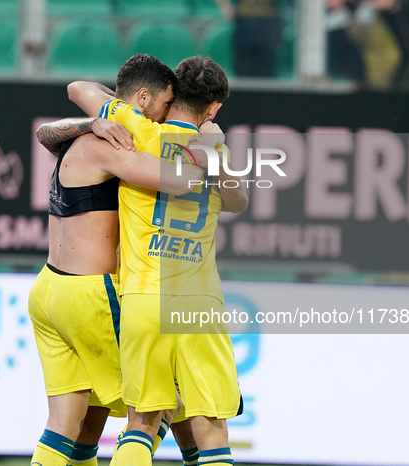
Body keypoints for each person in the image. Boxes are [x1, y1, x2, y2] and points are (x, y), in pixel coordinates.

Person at [28, 55, 211, 466]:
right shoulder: (113, 145)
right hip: (90, 295)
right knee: (162, 400)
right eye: (165, 106)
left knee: (74, 424)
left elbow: (59, 113)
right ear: (144, 99)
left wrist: (91, 120)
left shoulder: (83, 137)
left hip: (48, 289)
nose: (167, 116)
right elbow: (183, 181)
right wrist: (206, 137)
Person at [68, 55, 249, 466]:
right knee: (211, 427)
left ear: (172, 96)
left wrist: (101, 119)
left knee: (142, 422)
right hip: (199, 302)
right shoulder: (213, 151)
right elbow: (239, 201)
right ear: (214, 108)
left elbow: (79, 88)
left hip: (144, 296)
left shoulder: (140, 130)